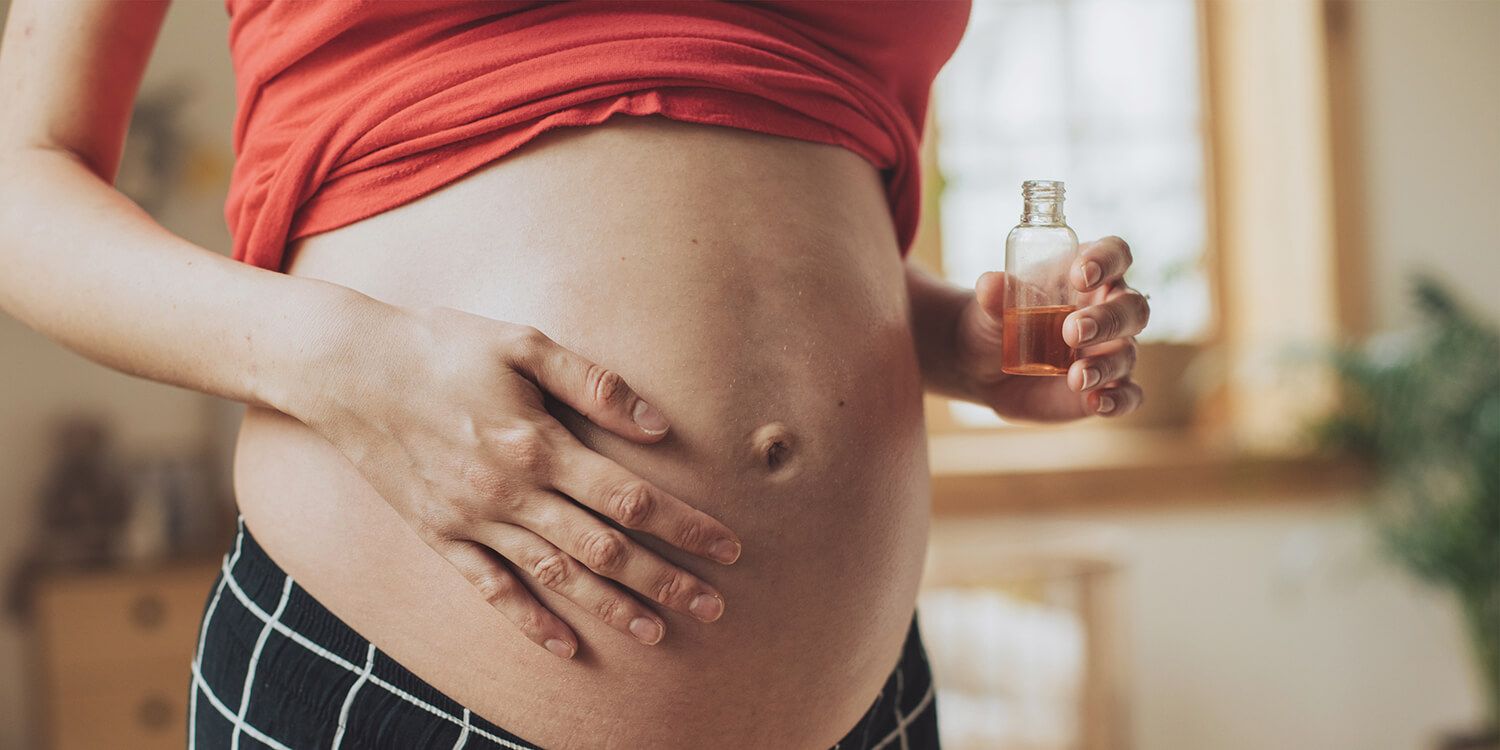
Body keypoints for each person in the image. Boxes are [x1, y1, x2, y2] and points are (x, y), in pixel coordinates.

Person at [0, 1, 1148, 747]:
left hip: (863, 707)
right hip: (399, 678)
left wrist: (951, 336)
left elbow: (776, 143)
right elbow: (20, 180)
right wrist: (344, 360)